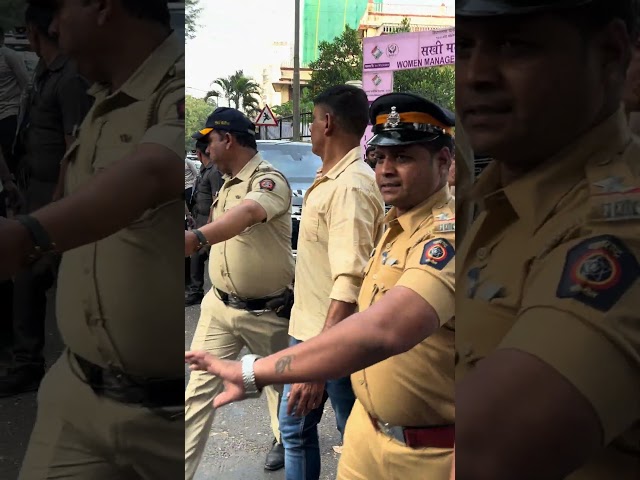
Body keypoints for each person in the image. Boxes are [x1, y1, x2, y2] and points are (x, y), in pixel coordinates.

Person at [186, 92, 457, 480]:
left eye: (404, 158)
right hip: (368, 432)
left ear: (444, 161)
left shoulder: (445, 236)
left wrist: (257, 372)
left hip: (423, 452)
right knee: (299, 429)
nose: (386, 170)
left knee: (296, 430)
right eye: (381, 157)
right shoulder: (395, 222)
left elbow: (381, 326)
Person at [453, 1, 640, 479]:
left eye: (516, 45)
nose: (476, 74)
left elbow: (490, 450)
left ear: (610, 53)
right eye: (464, 47)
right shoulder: (501, 192)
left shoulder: (619, 221)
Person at [0, 0, 186, 477]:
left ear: (102, 6)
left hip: (170, 424)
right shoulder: (101, 95)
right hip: (78, 394)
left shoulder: (179, 85)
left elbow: (153, 170)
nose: (54, 26)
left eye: (59, 8)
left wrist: (28, 235)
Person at [272, 84, 383, 480]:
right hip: (311, 332)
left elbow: (350, 280)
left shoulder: (351, 185)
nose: (313, 129)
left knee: (354, 433)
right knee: (296, 431)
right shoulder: (331, 179)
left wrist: (319, 364)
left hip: (333, 336)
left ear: (328, 122)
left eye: (315, 120)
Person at [183, 107, 294, 478]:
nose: (205, 149)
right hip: (219, 306)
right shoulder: (223, 180)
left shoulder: (268, 179)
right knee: (197, 392)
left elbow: (247, 214)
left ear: (227, 139)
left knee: (281, 388)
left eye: (209, 141)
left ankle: (284, 441)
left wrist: (197, 238)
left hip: (267, 311)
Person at [0, 1, 93, 398]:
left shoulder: (70, 76)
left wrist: (58, 202)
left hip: (54, 191)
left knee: (39, 276)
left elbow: (74, 146)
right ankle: (31, 359)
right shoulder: (44, 70)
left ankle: (36, 362)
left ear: (36, 31)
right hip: (32, 184)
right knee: (30, 277)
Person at [185, 138, 223, 306]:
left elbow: (217, 199)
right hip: (199, 217)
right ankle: (196, 290)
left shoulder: (214, 171)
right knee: (196, 256)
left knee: (200, 255)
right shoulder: (204, 169)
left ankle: (198, 291)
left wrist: (209, 224)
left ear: (199, 153)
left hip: (208, 219)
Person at [0, 26, 30, 174]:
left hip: (10, 113)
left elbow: (26, 84)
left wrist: (23, 113)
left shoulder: (9, 56)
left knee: (9, 157)